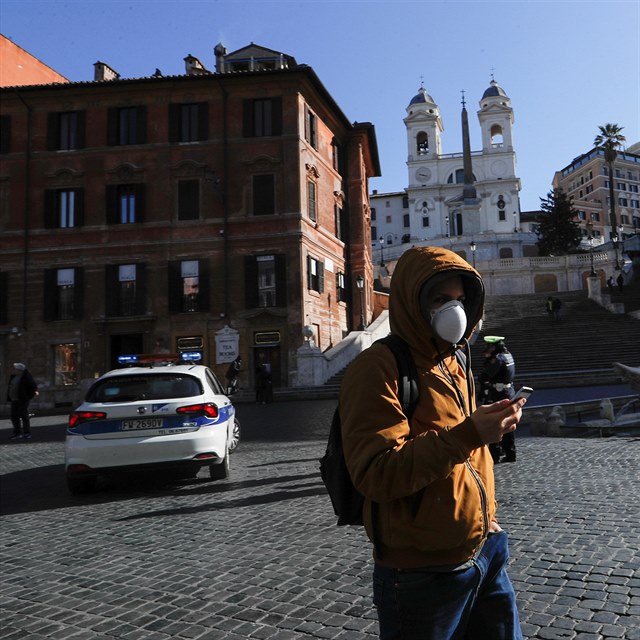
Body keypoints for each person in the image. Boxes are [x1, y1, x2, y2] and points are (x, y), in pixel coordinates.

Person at [339, 246, 525, 640]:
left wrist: (487, 515)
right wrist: (471, 433)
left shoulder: (456, 360)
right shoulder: (377, 368)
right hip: (421, 571)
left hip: (486, 549)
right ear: (412, 301)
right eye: (440, 300)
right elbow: (377, 473)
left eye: (459, 300)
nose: (453, 311)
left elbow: (466, 454)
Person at [478, 337, 517, 463]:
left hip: (497, 394)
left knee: (495, 423)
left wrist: (488, 361)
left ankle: (494, 455)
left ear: (494, 347)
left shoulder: (498, 359)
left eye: (489, 346)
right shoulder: (508, 355)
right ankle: (510, 453)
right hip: (509, 392)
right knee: (507, 422)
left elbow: (484, 376)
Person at [7, 363, 38, 440]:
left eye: (15, 368)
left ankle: (27, 433)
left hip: (22, 400)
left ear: (19, 370)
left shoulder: (26, 376)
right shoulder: (14, 376)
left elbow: (33, 387)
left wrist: (28, 397)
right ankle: (17, 433)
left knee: (24, 416)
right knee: (14, 416)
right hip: (14, 399)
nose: (13, 370)